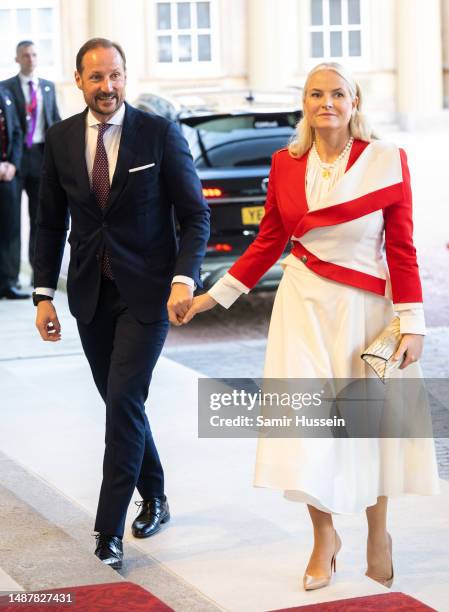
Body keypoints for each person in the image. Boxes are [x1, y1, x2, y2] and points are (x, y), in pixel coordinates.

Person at [183, 63, 440, 590]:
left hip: (365, 309)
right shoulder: (284, 164)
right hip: (302, 306)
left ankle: (377, 533)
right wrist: (214, 296)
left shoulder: (388, 161)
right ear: (306, 103)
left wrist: (412, 324)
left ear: (355, 101)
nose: (327, 102)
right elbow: (269, 241)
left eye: (338, 93)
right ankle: (324, 538)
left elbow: (402, 248)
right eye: (316, 93)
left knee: (369, 425)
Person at [33, 38, 210, 570]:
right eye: (95, 78)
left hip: (148, 294)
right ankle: (156, 494)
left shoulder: (158, 134)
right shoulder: (62, 139)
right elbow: (48, 221)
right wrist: (43, 294)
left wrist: (184, 279)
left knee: (125, 400)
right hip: (90, 293)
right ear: (78, 80)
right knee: (121, 403)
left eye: (115, 76)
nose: (106, 87)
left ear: (125, 77)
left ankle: (107, 530)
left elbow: (195, 215)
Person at [1, 40, 61, 285]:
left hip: (41, 158)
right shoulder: (5, 88)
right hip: (15, 159)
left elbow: (55, 122)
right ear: (17, 59)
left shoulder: (47, 87)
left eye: (34, 54)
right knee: (10, 221)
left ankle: (40, 279)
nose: (31, 59)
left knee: (40, 220)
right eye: (25, 55)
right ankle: (9, 279)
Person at [0, 86, 29, 299]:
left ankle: (9, 282)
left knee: (10, 229)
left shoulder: (5, 93)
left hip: (8, 174)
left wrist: (13, 165)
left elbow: (17, 131)